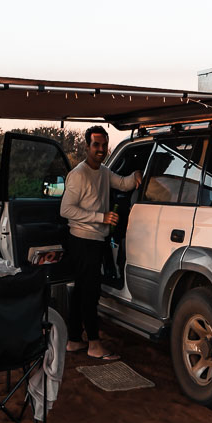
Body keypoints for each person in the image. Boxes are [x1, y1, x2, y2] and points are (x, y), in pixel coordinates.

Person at [60, 125, 142, 361]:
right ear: (86, 147)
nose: (101, 149)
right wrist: (100, 217)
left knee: (79, 293)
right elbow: (66, 209)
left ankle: (74, 340)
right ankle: (94, 344)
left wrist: (136, 175)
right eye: (96, 145)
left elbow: (124, 183)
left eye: (104, 145)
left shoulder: (104, 172)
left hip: (95, 240)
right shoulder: (78, 174)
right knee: (89, 293)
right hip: (83, 241)